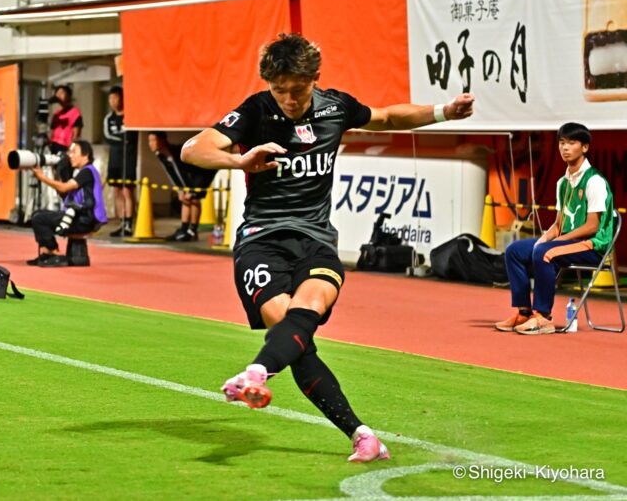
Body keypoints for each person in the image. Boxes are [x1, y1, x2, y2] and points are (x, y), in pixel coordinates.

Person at [181, 33, 474, 462]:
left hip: (317, 241)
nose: (287, 98)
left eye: (296, 89)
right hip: (261, 242)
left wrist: (443, 111)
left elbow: (389, 117)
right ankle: (359, 433)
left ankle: (258, 374)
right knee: (293, 334)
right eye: (278, 89)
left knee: (307, 315)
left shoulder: (336, 107)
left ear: (314, 79)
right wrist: (239, 160)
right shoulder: (255, 111)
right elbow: (195, 148)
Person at [495, 122, 616, 335]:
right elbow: (559, 224)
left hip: (592, 246)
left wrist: (556, 242)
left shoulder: (594, 181)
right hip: (567, 242)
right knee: (515, 251)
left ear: (585, 147)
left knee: (545, 252)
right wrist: (546, 237)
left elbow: (592, 226)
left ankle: (543, 317)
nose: (565, 148)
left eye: (572, 143)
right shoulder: (563, 182)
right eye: (561, 142)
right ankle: (524, 312)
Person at [27, 140, 107, 267]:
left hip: (85, 220)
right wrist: (56, 172)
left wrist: (42, 177)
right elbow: (64, 193)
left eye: (74, 152)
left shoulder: (87, 172)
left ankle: (55, 254)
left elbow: (64, 188)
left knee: (39, 218)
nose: (70, 155)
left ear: (85, 155)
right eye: (69, 152)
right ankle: (47, 253)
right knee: (38, 214)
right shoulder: (83, 172)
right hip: (81, 217)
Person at [148, 131, 217, 242]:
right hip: (192, 173)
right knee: (185, 197)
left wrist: (186, 189)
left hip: (203, 170)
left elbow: (181, 171)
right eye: (149, 141)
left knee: (194, 197)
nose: (150, 143)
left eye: (153, 140)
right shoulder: (160, 154)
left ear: (162, 141)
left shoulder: (175, 152)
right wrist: (180, 189)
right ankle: (184, 229)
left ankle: (192, 231)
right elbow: (171, 172)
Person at [103, 85, 138, 237]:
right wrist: (122, 139)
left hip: (128, 158)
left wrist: (124, 140)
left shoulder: (130, 116)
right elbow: (107, 137)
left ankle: (129, 223)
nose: (113, 101)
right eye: (110, 98)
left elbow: (131, 138)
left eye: (115, 97)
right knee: (116, 190)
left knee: (127, 190)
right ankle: (121, 222)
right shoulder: (108, 118)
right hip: (114, 159)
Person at [48, 84, 83, 182]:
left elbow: (77, 134)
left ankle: (68, 197)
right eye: (57, 93)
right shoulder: (57, 114)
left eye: (62, 93)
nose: (59, 95)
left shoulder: (75, 112)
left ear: (69, 95)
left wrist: (71, 151)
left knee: (65, 178)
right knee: (56, 178)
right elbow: (52, 131)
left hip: (66, 148)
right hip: (54, 147)